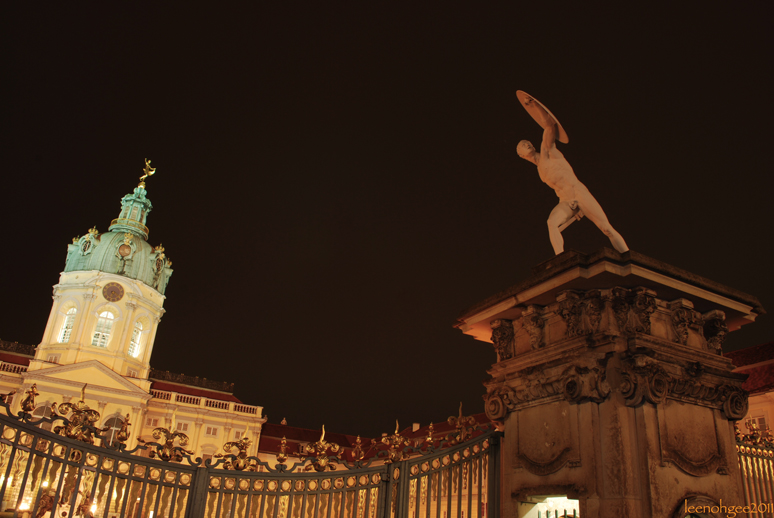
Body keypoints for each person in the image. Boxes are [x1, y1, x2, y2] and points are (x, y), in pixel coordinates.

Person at [517, 95, 628, 255]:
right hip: (566, 200)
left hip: (578, 192)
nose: (527, 144)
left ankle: (628, 257)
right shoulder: (540, 171)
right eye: (522, 145)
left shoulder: (548, 152)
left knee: (606, 228)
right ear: (521, 155)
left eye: (528, 142)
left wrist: (535, 106)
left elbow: (549, 126)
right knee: (551, 223)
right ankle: (561, 260)